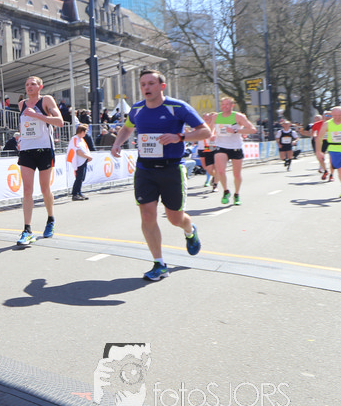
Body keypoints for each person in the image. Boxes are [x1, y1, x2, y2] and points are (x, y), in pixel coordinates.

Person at [110, 70, 211, 281]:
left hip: (171, 168)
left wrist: (179, 137)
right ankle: (159, 264)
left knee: (175, 218)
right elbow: (127, 128)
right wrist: (117, 143)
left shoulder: (177, 107)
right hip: (145, 169)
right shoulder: (137, 109)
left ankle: (190, 230)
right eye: (143, 84)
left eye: (151, 83)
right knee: (147, 215)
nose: (146, 88)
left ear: (162, 86)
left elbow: (205, 132)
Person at [15, 77, 63, 246]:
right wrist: (21, 139)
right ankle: (27, 230)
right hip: (27, 151)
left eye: (33, 84)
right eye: (27, 84)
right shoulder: (21, 104)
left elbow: (60, 122)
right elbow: (25, 125)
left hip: (44, 149)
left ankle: (50, 218)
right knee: (27, 190)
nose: (29, 86)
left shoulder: (46, 100)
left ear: (40, 86)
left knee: (45, 189)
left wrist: (37, 115)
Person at [203, 97, 256, 206]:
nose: (224, 106)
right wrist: (212, 136)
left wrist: (236, 130)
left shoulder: (238, 116)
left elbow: (252, 129)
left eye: (227, 104)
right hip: (221, 146)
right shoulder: (216, 116)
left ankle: (237, 194)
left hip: (235, 147)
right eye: (223, 104)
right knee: (220, 171)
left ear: (232, 105)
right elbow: (211, 130)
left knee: (236, 174)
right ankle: (226, 191)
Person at [69, 124, 93, 200]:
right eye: (85, 131)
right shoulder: (75, 139)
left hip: (83, 161)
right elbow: (78, 151)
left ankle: (79, 192)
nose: (86, 133)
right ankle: (75, 193)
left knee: (82, 178)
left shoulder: (81, 139)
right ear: (82, 131)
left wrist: (87, 157)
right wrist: (87, 156)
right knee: (79, 178)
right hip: (78, 161)